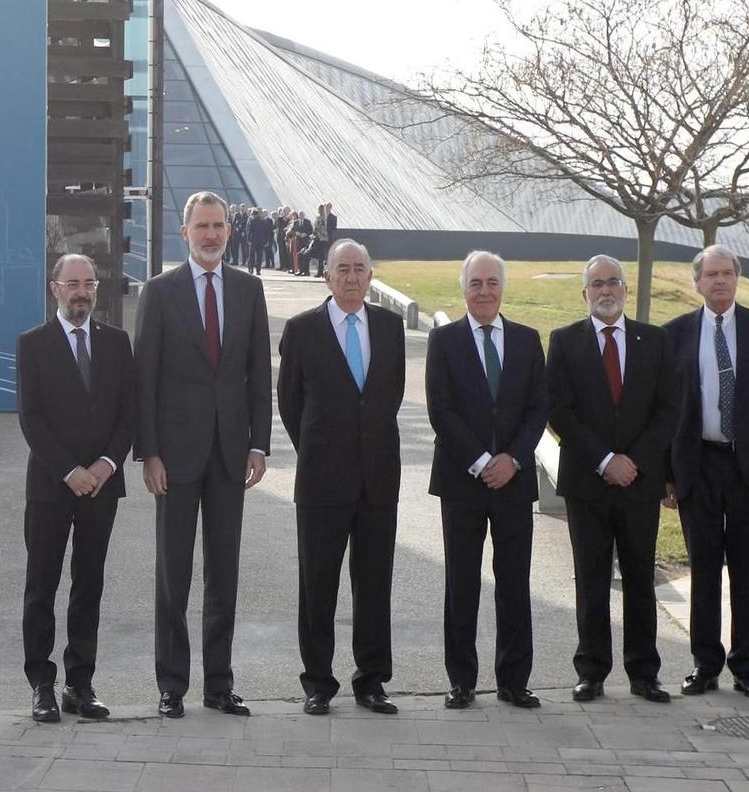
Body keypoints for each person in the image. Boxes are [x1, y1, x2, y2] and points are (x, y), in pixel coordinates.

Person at [134, 191, 271, 717]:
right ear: (184, 230)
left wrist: (259, 442)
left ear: (229, 232)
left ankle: (219, 684)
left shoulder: (248, 290)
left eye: (219, 226)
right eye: (202, 226)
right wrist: (148, 452)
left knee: (224, 572)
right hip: (174, 456)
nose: (211, 234)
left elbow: (259, 373)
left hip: (231, 456)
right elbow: (144, 379)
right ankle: (171, 684)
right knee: (174, 574)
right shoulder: (159, 292)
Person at [277, 238, 404, 716]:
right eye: (342, 269)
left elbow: (387, 396)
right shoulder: (303, 329)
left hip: (377, 481)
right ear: (326, 276)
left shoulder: (389, 328)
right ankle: (318, 683)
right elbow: (290, 402)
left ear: (370, 276)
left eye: (359, 269)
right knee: (318, 585)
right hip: (321, 481)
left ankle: (371, 681)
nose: (352, 277)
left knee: (374, 584)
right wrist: (320, 447)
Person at [546, 254, 680, 703]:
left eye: (614, 283)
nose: (606, 290)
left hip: (639, 483)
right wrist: (605, 460)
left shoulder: (655, 341)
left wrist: (634, 461)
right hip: (587, 481)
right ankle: (592, 671)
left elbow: (668, 411)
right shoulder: (564, 342)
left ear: (626, 289)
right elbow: (559, 410)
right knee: (591, 577)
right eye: (597, 284)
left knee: (641, 578)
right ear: (584, 294)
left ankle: (644, 673)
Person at [661, 245, 749, 700]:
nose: (720, 281)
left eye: (727, 273)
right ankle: (705, 664)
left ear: (738, 279)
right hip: (697, 465)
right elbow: (664, 411)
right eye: (711, 274)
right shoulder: (675, 333)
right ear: (696, 282)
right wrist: (667, 474)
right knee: (703, 570)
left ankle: (746, 666)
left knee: (747, 570)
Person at [424, 250, 549, 710]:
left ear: (503, 287)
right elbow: (441, 409)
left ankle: (514, 680)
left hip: (514, 482)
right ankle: (462, 679)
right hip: (462, 481)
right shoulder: (445, 340)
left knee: (515, 581)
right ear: (463, 289)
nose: (484, 291)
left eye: (492, 282)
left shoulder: (526, 339)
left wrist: (513, 459)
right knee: (462, 583)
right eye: (475, 283)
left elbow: (539, 406)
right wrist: (481, 460)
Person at [16, 254, 137, 723]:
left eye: (89, 283)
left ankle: (80, 684)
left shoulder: (117, 343)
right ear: (55, 289)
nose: (82, 291)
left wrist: (106, 465)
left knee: (89, 585)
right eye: (73, 284)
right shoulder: (33, 344)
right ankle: (41, 685)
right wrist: (71, 470)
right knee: (41, 586)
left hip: (102, 488)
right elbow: (32, 419)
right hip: (51, 485)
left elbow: (128, 412)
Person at [246, 208, 272, 276]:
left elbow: (249, 231)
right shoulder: (263, 221)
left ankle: (251, 269)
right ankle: (258, 270)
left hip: (253, 241)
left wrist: (248, 240)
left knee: (251, 256)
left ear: (252, 214)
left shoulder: (251, 221)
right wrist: (266, 241)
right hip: (261, 241)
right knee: (259, 256)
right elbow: (266, 232)